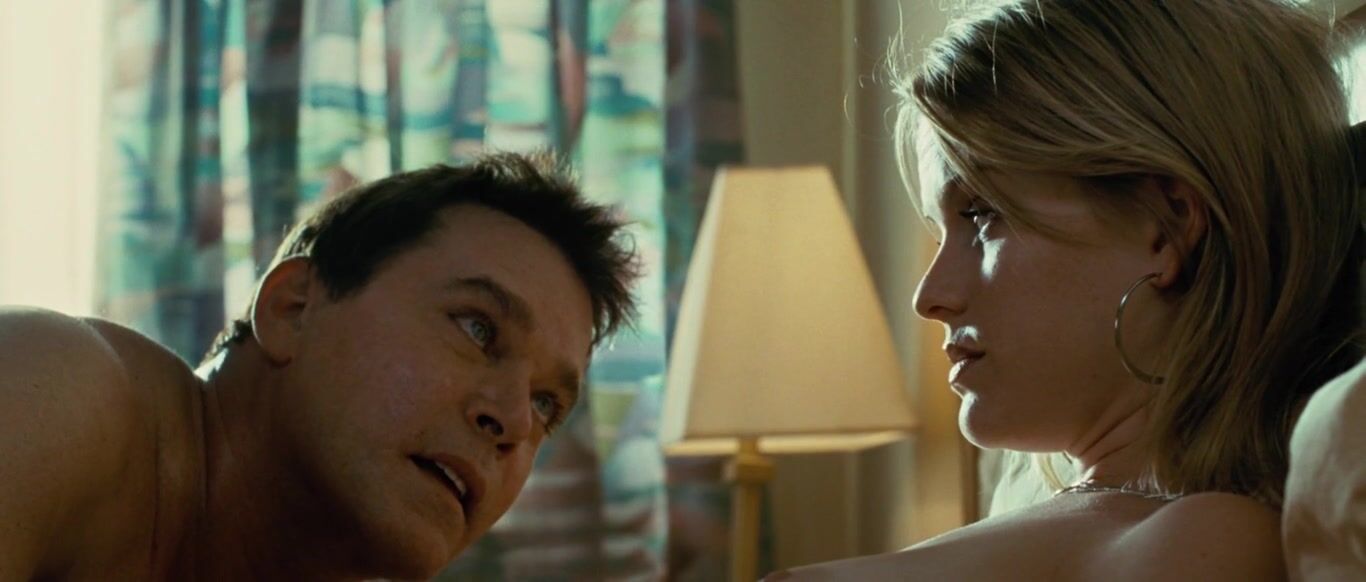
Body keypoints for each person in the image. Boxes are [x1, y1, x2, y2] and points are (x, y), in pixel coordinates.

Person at [771, 0, 1361, 580]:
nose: (929, 297)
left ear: (1166, 226)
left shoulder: (1203, 541)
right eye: (940, 230)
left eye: (982, 215)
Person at [0, 151, 640, 580]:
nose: (513, 421)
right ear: (293, 309)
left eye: (546, 404)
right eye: (477, 328)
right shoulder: (59, 387)